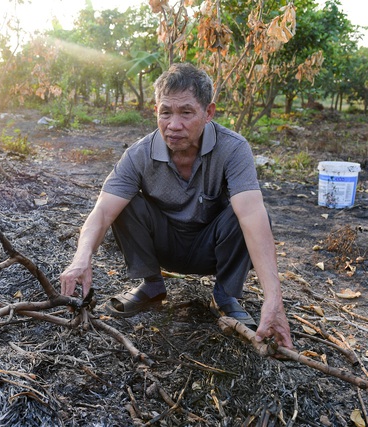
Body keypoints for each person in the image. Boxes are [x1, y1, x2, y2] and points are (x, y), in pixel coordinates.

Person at [59, 63, 293, 349]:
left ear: (208, 113)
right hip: (164, 247)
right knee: (123, 202)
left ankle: (225, 295)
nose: (174, 125)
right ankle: (152, 286)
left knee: (249, 212)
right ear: (155, 111)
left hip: (212, 249)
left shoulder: (233, 148)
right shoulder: (139, 154)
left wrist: (274, 299)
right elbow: (103, 211)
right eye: (165, 112)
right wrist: (81, 258)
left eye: (186, 112)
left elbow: (252, 215)